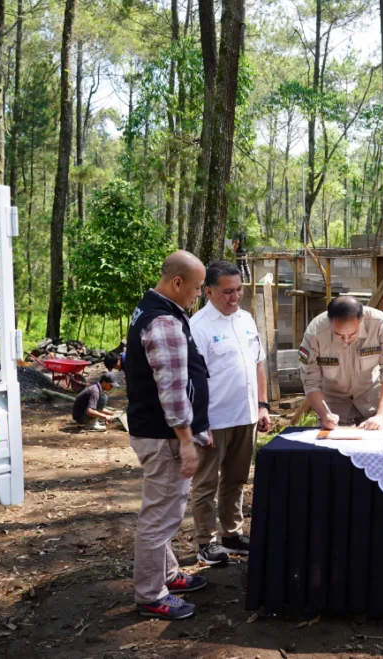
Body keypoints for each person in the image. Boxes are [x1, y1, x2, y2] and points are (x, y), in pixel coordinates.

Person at [123, 250, 212, 621]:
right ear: (177, 282)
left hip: (158, 432)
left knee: (165, 510)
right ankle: (149, 594)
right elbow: (172, 391)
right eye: (195, 288)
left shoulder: (153, 309)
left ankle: (168, 573)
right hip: (164, 436)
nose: (198, 295)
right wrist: (187, 440)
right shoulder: (163, 322)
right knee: (159, 517)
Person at [189, 261, 274, 567]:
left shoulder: (247, 320)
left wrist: (263, 405)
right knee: (206, 482)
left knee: (236, 479)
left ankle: (231, 534)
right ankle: (206, 541)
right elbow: (191, 381)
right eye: (227, 292)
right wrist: (199, 424)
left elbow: (258, 364)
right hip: (214, 420)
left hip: (247, 415)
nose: (235, 297)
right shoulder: (198, 327)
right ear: (208, 291)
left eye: (239, 290)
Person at [299, 295, 383, 429]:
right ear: (330, 322)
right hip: (333, 410)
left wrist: (381, 415)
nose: (346, 340)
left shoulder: (379, 325)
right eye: (339, 335)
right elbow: (311, 381)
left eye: (352, 334)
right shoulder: (315, 334)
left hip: (372, 406)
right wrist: (324, 414)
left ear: (362, 320)